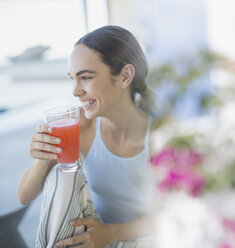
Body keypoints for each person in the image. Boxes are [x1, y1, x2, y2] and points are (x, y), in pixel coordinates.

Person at [17, 25, 159, 248]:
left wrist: (111, 234)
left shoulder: (160, 136)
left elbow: (187, 213)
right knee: (57, 174)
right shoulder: (82, 127)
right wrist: (43, 158)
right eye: (73, 78)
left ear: (125, 76)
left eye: (85, 77)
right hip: (95, 237)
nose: (75, 91)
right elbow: (24, 196)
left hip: (151, 238)